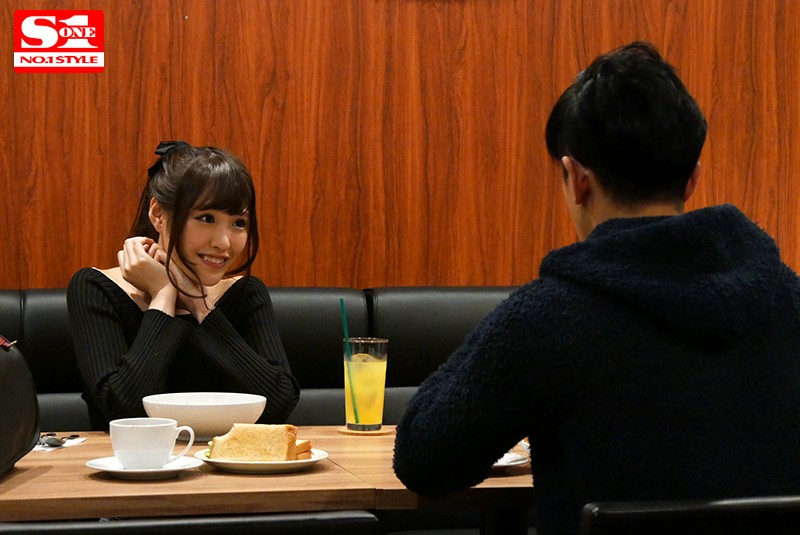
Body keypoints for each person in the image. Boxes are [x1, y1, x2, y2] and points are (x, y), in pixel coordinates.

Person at [393, 42, 800, 535]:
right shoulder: (787, 297)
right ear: (692, 180)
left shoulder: (547, 318)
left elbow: (424, 459)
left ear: (577, 179)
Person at [68, 141, 300, 430]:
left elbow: (278, 407)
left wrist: (199, 306)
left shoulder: (246, 293)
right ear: (158, 214)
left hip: (228, 458)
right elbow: (122, 412)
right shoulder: (96, 288)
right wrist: (163, 296)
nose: (224, 243)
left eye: (239, 223)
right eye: (207, 218)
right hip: (135, 459)